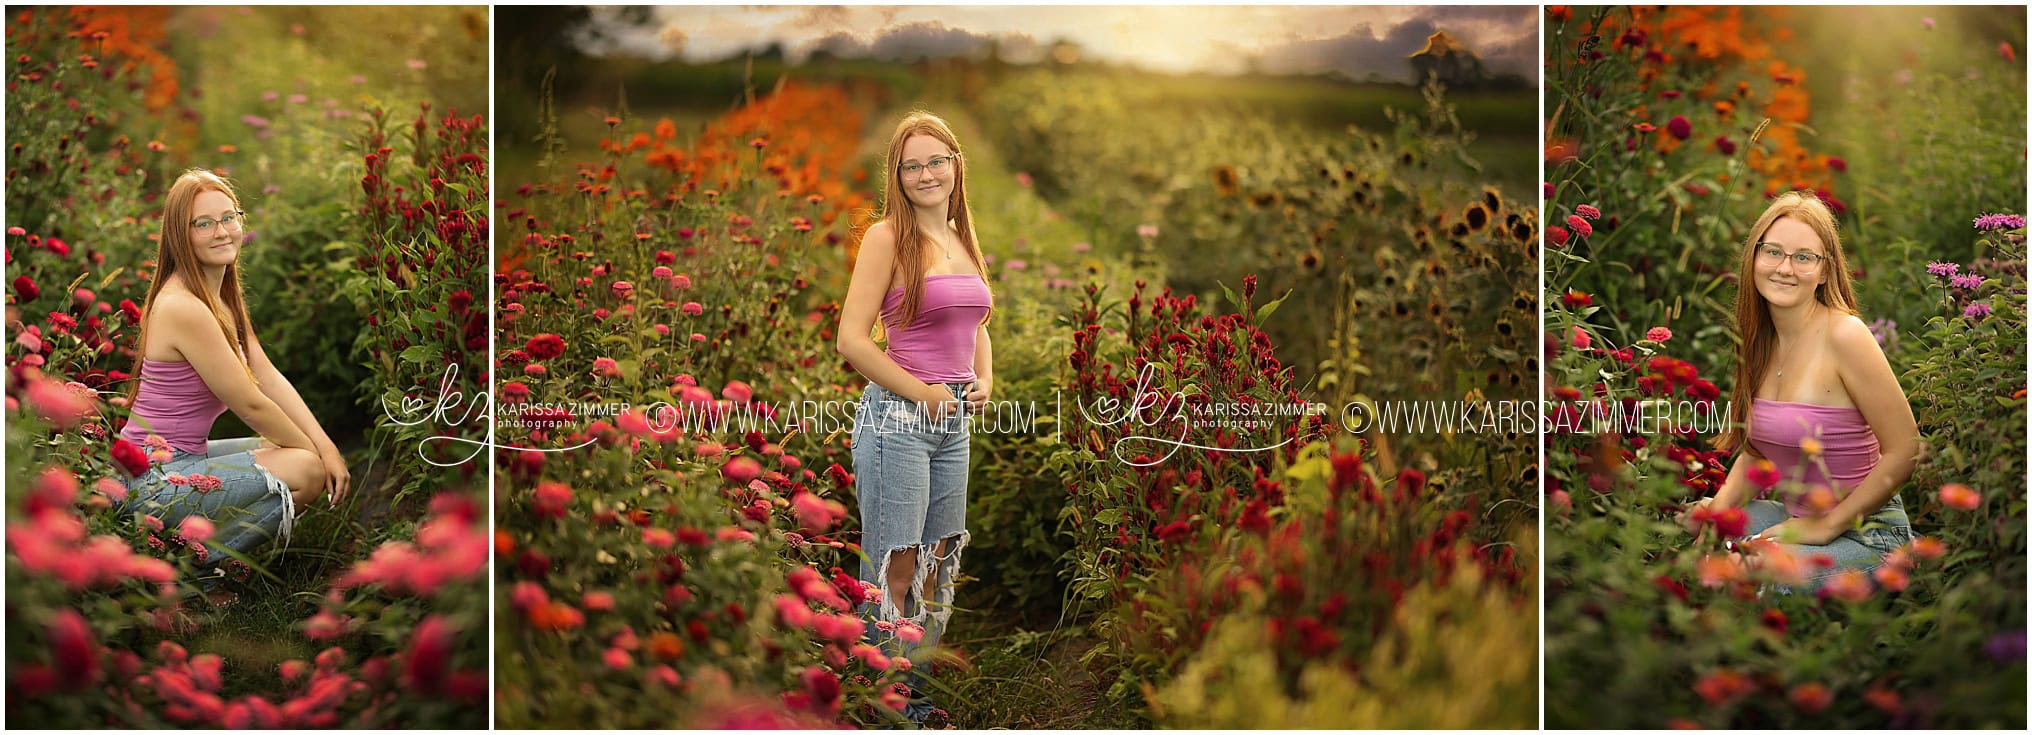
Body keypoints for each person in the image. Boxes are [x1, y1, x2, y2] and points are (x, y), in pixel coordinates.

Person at [117, 169, 351, 595]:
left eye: (229, 217)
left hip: (183, 460)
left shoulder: (218, 292)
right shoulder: (181, 306)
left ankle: (189, 556)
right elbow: (251, 403)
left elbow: (265, 374)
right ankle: (191, 579)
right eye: (203, 223)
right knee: (302, 469)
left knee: (301, 456)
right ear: (179, 236)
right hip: (149, 480)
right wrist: (309, 453)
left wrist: (326, 445)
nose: (221, 231)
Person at [836, 111, 994, 721]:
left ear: (956, 165)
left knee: (935, 563)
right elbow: (852, 339)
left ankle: (916, 696)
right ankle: (880, 702)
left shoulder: (961, 236)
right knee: (896, 564)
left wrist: (984, 378)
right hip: (898, 421)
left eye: (936, 161)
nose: (926, 173)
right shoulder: (885, 238)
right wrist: (920, 391)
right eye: (912, 166)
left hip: (953, 422)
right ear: (897, 178)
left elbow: (977, 323)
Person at [1679, 191, 1918, 588]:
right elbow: (1759, 455)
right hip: (1797, 518)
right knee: (1690, 530)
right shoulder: (1761, 341)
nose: (1784, 268)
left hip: (1869, 534)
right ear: (1754, 257)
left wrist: (1826, 525)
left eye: (1803, 257)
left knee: (1750, 576)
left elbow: (1907, 449)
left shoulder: (1846, 335)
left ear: (1825, 271)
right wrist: (1718, 513)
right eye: (1773, 252)